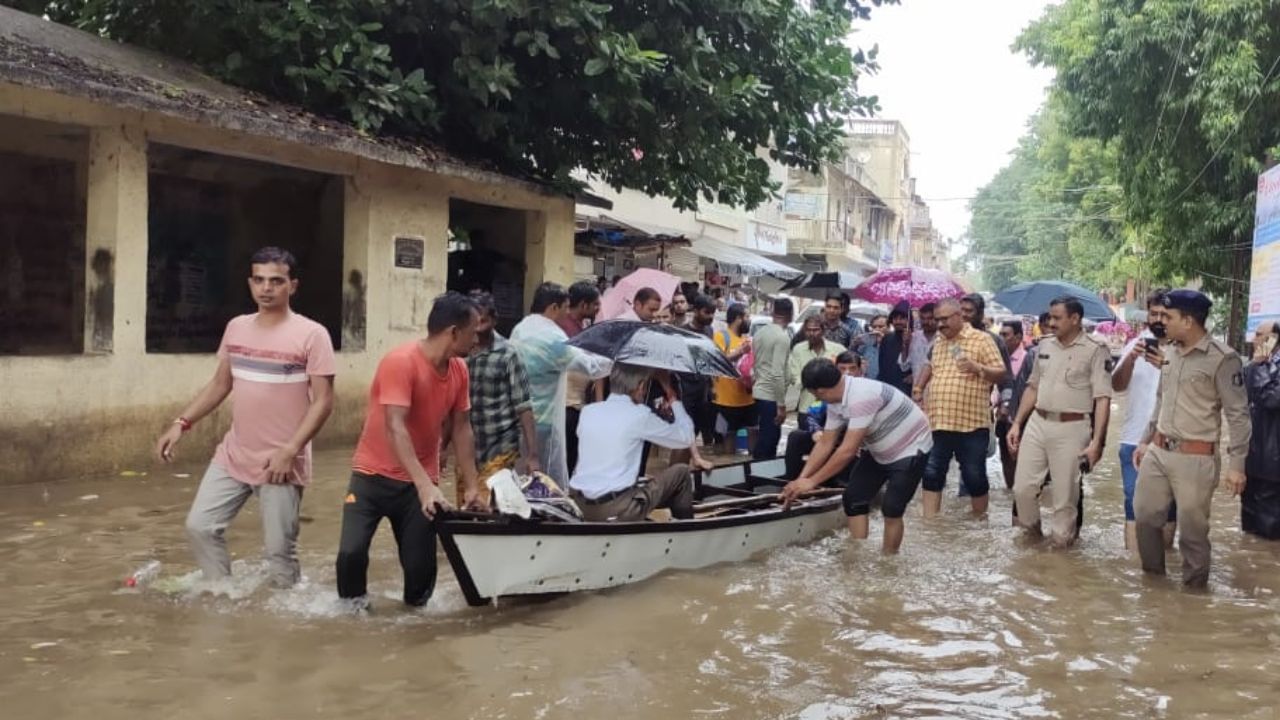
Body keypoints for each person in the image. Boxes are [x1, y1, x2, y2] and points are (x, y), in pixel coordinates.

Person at [156, 247, 335, 589]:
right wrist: (181, 423)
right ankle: (222, 594)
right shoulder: (237, 328)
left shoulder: (312, 335)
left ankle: (284, 626)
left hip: (280, 460)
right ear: (250, 283)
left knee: (279, 554)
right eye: (259, 280)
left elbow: (324, 402)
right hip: (234, 453)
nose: (266, 288)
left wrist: (291, 449)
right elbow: (221, 384)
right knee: (200, 526)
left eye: (276, 281)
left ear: (292, 286)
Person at [335, 292, 481, 608]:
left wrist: (472, 485)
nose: (477, 340)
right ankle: (351, 618)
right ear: (454, 332)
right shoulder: (400, 362)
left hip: (418, 485)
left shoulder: (460, 371)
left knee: (420, 571)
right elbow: (394, 426)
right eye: (474, 332)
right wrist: (425, 486)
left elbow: (461, 428)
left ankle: (415, 631)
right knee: (351, 553)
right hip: (371, 476)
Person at [1133, 290, 1250, 587]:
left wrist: (1237, 466)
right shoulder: (1170, 352)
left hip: (1196, 457)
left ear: (1188, 321)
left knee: (1193, 533)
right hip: (1158, 450)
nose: (1162, 322)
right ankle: (1154, 584)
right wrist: (1146, 439)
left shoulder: (1224, 359)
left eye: (1168, 317)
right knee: (1145, 516)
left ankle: (1194, 594)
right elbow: (1162, 399)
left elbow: (1238, 415)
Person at [781, 358, 933, 553]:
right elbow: (826, 443)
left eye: (812, 394)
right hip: (878, 447)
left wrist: (812, 482)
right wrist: (801, 480)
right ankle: (857, 553)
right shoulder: (837, 397)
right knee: (853, 498)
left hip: (911, 447)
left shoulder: (862, 396)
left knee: (892, 508)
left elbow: (847, 451)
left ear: (819, 391)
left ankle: (888, 560)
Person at [1008, 297, 1113, 547]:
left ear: (1075, 319)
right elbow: (1033, 387)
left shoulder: (1095, 349)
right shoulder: (1044, 345)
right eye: (1050, 317)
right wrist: (1017, 423)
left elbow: (1102, 399)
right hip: (1038, 421)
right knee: (1022, 489)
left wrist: (1097, 442)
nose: (1050, 323)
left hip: (1073, 426)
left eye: (1057, 318)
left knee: (1065, 497)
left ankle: (1061, 554)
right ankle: (1032, 539)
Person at [510, 282, 612, 484]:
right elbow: (590, 366)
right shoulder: (552, 338)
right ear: (553, 308)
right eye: (565, 307)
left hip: (518, 416)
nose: (567, 313)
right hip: (543, 419)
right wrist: (615, 357)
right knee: (543, 479)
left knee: (521, 477)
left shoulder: (521, 328)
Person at [914, 297, 1006, 517]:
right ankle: (930, 523)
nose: (940, 324)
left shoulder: (981, 340)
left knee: (974, 476)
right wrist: (918, 390)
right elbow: (930, 367)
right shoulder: (939, 341)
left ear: (959, 316)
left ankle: (979, 522)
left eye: (944, 319)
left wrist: (977, 367)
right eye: (937, 320)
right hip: (939, 421)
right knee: (932, 472)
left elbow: (1001, 373)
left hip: (971, 423)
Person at [569, 365, 696, 521]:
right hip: (616, 508)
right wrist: (671, 394)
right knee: (682, 472)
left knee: (637, 479)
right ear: (641, 386)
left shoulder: (588, 412)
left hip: (580, 505)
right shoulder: (640, 415)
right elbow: (686, 437)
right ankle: (684, 533)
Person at [1112, 289, 1177, 549]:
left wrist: (1166, 364)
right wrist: (1130, 358)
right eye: (1154, 313)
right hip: (1133, 437)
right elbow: (1116, 386)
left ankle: (1161, 570)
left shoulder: (1184, 350)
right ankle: (1133, 567)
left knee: (1169, 506)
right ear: (1147, 315)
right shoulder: (1135, 344)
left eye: (1165, 314)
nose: (1159, 319)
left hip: (1172, 441)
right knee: (1132, 502)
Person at [463, 291, 540, 505]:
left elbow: (524, 406)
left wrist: (532, 455)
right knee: (467, 506)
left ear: (494, 320)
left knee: (487, 504)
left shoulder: (509, 354)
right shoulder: (461, 353)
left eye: (484, 321)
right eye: (473, 322)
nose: (478, 328)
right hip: (468, 446)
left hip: (501, 445)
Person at [783, 352, 860, 480]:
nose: (848, 373)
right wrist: (816, 431)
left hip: (856, 443)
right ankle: (792, 479)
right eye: (843, 368)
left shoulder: (865, 392)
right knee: (796, 437)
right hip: (831, 438)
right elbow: (811, 414)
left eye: (852, 368)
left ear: (860, 370)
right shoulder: (829, 391)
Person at [559, 281, 603, 474]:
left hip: (577, 401)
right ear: (584, 305)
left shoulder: (580, 326)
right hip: (568, 402)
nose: (598, 308)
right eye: (595, 305)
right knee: (567, 456)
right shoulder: (566, 329)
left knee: (572, 455)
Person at [1244, 321, 1280, 539]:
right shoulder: (1256, 365)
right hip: (1252, 455)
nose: (1254, 339)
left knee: (1268, 527)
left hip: (1273, 461)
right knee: (1249, 523)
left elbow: (1271, 399)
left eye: (1259, 335)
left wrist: (1259, 366)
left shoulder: (1261, 365)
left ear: (1274, 338)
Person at [712, 303, 757, 455]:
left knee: (753, 431)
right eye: (747, 317)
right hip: (727, 400)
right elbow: (718, 361)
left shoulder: (747, 339)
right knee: (729, 435)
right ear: (738, 318)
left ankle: (752, 466)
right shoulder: (721, 336)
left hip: (748, 398)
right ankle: (728, 467)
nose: (748, 320)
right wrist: (739, 352)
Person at [751, 298, 793, 459]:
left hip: (759, 393)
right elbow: (777, 373)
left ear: (773, 312)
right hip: (770, 396)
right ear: (790, 314)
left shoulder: (760, 333)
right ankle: (761, 478)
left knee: (764, 438)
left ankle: (756, 474)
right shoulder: (782, 337)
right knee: (769, 441)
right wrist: (781, 405)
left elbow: (756, 364)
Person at [789, 315, 846, 426]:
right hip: (807, 407)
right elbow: (796, 378)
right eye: (808, 330)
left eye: (815, 330)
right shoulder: (798, 349)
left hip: (832, 408)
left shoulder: (838, 349)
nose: (812, 333)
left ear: (823, 330)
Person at [994, 320, 1028, 489]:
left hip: (1021, 419)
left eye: (1005, 335)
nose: (1001, 338)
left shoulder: (1027, 359)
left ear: (1018, 337)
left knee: (1022, 461)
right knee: (1006, 460)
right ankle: (1010, 494)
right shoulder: (997, 359)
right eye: (1000, 334)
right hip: (1002, 418)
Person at [877, 302, 915, 394]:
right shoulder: (887, 338)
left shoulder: (916, 338)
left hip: (907, 387)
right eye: (895, 318)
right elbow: (882, 365)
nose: (898, 321)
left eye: (902, 318)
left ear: (909, 320)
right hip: (888, 386)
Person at [905, 303, 938, 384]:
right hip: (916, 391)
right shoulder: (913, 337)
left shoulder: (946, 338)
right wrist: (905, 345)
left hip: (938, 391)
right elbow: (904, 367)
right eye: (922, 318)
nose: (926, 322)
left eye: (930, 318)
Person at [850, 314, 888, 380]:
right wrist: (855, 344)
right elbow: (852, 356)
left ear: (889, 327)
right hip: (866, 380)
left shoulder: (893, 343)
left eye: (881, 326)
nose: (877, 329)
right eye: (874, 327)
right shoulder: (866, 342)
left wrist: (882, 342)